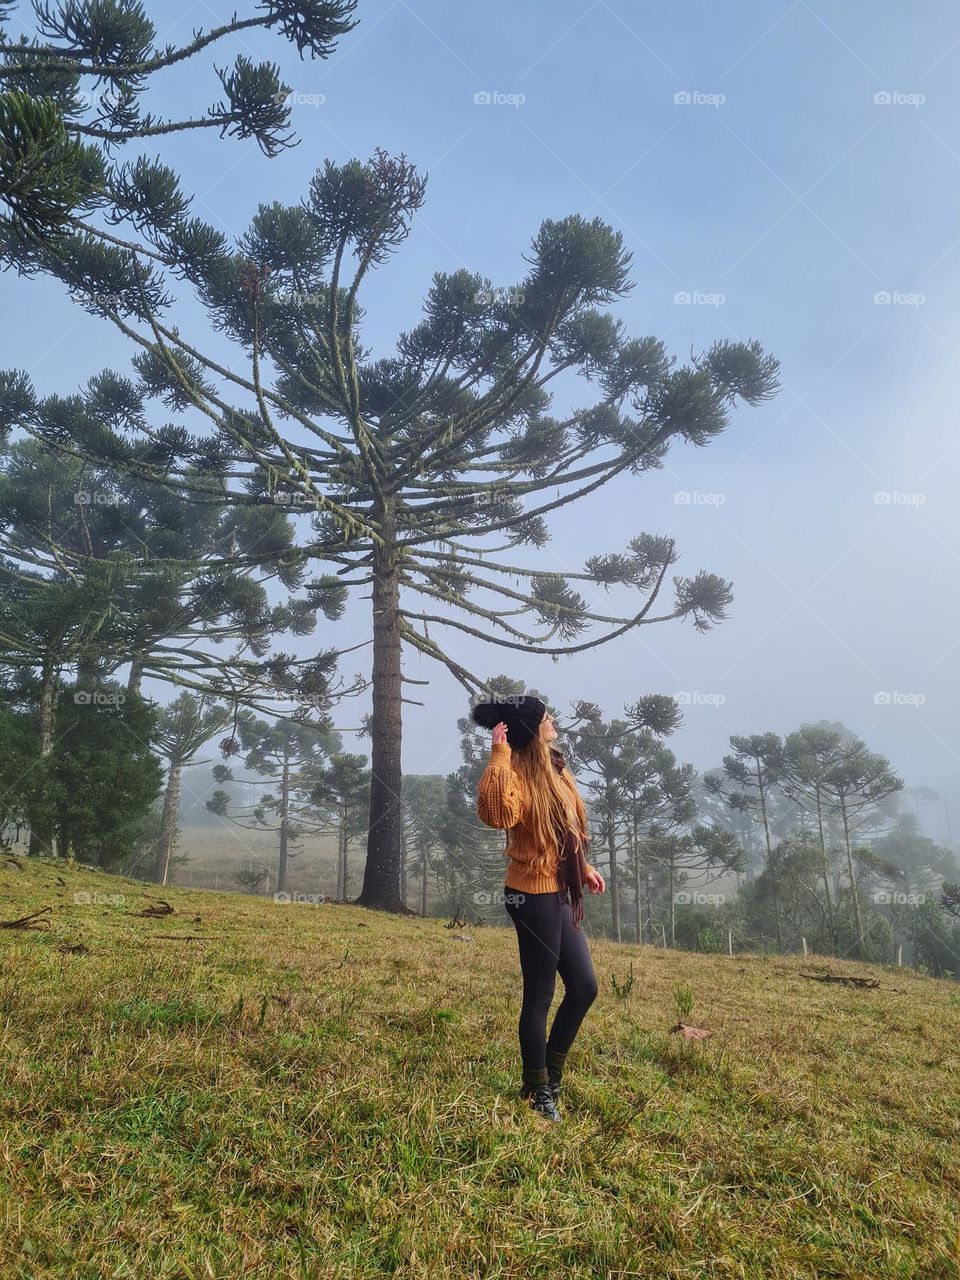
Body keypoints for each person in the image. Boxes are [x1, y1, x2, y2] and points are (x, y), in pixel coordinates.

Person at [472, 694, 606, 1123]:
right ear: (532, 731)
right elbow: (496, 814)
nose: (552, 720)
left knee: (584, 986)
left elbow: (563, 831)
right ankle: (536, 1088)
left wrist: (581, 867)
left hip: (558, 888)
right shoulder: (513, 775)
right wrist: (498, 754)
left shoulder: (556, 767)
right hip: (530, 895)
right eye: (545, 717)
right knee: (541, 994)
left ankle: (551, 1073)